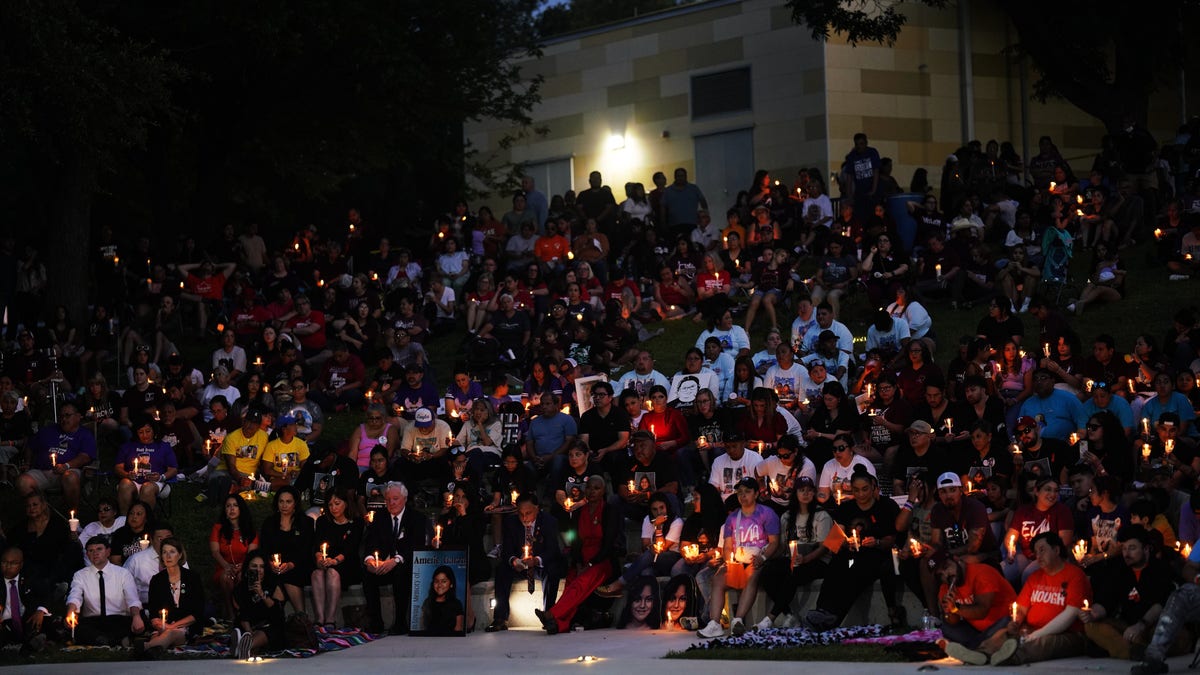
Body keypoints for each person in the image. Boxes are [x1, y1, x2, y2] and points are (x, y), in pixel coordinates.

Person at [802, 470, 900, 631]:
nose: (861, 494)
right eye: (856, 490)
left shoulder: (885, 506)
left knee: (855, 571)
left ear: (873, 487)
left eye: (865, 489)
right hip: (851, 554)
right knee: (837, 565)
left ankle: (834, 616)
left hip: (875, 555)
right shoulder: (847, 508)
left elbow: (891, 540)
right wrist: (845, 543)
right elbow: (834, 540)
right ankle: (821, 609)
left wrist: (876, 542)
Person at [975, 532, 1090, 666]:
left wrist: (1037, 634)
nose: (1038, 556)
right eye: (1036, 552)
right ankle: (980, 654)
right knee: (1002, 633)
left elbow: (1070, 614)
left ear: (1056, 550)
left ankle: (1009, 657)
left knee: (1043, 643)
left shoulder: (1075, 575)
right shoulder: (1035, 577)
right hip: (1031, 631)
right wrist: (1016, 621)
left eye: (1042, 550)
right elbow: (1021, 608)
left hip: (1067, 633)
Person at [534, 476, 623, 634]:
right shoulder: (578, 512)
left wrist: (589, 565)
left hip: (602, 561)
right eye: (589, 487)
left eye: (596, 488)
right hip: (582, 559)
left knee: (582, 581)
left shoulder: (610, 511)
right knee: (571, 580)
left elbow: (609, 544)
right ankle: (559, 625)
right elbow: (575, 542)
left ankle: (551, 613)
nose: (592, 491)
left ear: (603, 491)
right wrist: (580, 563)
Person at [697, 476, 781, 637]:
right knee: (718, 579)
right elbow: (728, 545)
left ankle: (738, 620)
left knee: (751, 575)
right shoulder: (732, 518)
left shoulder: (766, 514)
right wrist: (729, 561)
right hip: (738, 560)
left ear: (756, 494)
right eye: (740, 492)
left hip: (757, 559)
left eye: (747, 492)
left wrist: (762, 558)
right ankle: (714, 622)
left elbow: (774, 542)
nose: (743, 496)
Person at [1081, 526, 1176, 660]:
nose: (1126, 554)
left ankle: (1134, 648)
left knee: (1173, 635)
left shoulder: (1160, 569)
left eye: (1132, 548)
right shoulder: (1119, 569)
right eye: (1124, 549)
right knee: (1091, 626)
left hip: (1153, 624)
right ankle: (1133, 652)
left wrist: (1141, 625)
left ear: (1146, 549)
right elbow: (1107, 599)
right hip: (1128, 626)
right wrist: (1094, 613)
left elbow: (1161, 603)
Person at [759, 476, 832, 628]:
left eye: (810, 490)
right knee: (767, 573)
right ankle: (789, 614)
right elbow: (782, 547)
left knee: (794, 573)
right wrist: (765, 557)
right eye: (801, 490)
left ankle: (770, 617)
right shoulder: (786, 516)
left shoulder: (821, 515)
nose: (806, 494)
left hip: (817, 560)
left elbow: (824, 547)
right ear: (795, 493)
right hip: (793, 558)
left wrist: (805, 559)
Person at [486, 491, 564, 632]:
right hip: (520, 565)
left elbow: (553, 550)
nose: (524, 517)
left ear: (537, 509)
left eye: (528, 513)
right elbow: (507, 550)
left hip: (539, 565)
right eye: (521, 514)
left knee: (553, 569)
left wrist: (536, 560)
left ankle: (549, 615)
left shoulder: (549, 521)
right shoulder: (511, 522)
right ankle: (500, 618)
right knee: (502, 570)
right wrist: (514, 560)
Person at [362, 481, 427, 635]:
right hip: (384, 563)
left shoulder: (416, 518)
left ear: (404, 499)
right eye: (388, 499)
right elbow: (371, 541)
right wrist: (370, 560)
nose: (391, 502)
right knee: (367, 574)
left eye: (395, 498)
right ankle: (376, 622)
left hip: (405, 564)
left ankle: (400, 622)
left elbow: (416, 545)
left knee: (401, 573)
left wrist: (396, 560)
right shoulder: (380, 517)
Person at [935, 551, 1018, 663]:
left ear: (956, 559)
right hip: (978, 631)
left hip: (999, 624)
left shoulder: (982, 573)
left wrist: (956, 608)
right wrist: (949, 611)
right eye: (941, 575)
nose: (946, 575)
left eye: (946, 567)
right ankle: (980, 649)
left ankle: (975, 650)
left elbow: (982, 611)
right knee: (946, 627)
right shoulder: (945, 589)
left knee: (1007, 622)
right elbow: (953, 622)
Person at [597, 492, 684, 598]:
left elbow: (662, 548)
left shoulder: (677, 522)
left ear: (667, 507)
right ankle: (649, 604)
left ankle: (619, 583)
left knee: (649, 554)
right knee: (646, 572)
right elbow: (645, 545)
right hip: (652, 560)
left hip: (671, 558)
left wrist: (659, 527)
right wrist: (650, 548)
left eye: (662, 508)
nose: (659, 512)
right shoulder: (648, 519)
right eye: (654, 509)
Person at [17, 402, 96, 512]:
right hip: (42, 472)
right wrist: (27, 463)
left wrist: (66, 466)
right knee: (23, 482)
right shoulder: (48, 430)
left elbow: (85, 456)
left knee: (70, 477)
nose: (64, 419)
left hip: (68, 472)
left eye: (68, 415)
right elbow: (30, 446)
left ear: (78, 417)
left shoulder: (84, 434)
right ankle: (41, 514)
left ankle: (73, 518)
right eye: (61, 416)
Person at [66, 536, 144, 646]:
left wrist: (136, 616)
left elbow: (132, 599)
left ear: (108, 552)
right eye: (91, 550)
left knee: (132, 623)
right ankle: (114, 641)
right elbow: (75, 595)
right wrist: (71, 611)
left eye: (99, 549)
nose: (95, 553)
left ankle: (104, 640)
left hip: (117, 618)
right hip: (93, 620)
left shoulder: (122, 574)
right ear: (87, 554)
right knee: (79, 628)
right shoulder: (80, 575)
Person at [142, 537, 206, 658]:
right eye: (164, 552)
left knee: (169, 634)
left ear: (180, 554)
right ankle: (151, 651)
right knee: (160, 635)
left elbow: (197, 612)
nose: (168, 556)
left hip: (186, 626)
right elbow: (153, 611)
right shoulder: (157, 580)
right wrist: (158, 624)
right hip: (163, 626)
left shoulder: (192, 578)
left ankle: (144, 648)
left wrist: (171, 627)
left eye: (172, 552)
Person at [311, 486, 363, 630]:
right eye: (330, 504)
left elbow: (350, 548)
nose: (334, 508)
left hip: (347, 563)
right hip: (326, 561)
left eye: (337, 503)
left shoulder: (356, 522)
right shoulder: (323, 521)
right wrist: (319, 558)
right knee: (317, 573)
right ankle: (320, 618)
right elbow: (317, 544)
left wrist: (335, 561)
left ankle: (330, 619)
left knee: (333, 573)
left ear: (346, 503)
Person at [257, 486, 314, 615]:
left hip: (298, 566)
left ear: (295, 503)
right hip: (274, 568)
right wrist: (270, 563)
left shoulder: (305, 522)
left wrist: (291, 564)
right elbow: (264, 548)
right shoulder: (270, 522)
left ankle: (301, 616)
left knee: (289, 577)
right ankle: (277, 619)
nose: (284, 505)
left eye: (288, 502)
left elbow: (306, 549)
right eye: (281, 501)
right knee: (275, 580)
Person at [115, 417, 178, 514]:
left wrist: (161, 477)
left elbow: (173, 469)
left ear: (154, 430)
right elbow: (118, 467)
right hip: (132, 481)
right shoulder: (128, 446)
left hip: (156, 482)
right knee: (124, 484)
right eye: (141, 432)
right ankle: (124, 520)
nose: (145, 435)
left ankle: (145, 521)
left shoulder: (163, 447)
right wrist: (127, 475)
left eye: (148, 431)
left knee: (147, 488)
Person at [209, 494, 258, 620]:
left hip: (245, 567)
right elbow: (215, 552)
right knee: (226, 576)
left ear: (241, 509)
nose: (231, 509)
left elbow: (251, 555)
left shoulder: (251, 531)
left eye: (235, 506)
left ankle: (245, 613)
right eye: (228, 506)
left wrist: (242, 567)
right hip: (224, 567)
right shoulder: (218, 529)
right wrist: (227, 566)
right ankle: (231, 613)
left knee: (243, 577)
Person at [230, 552, 285, 660]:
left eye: (262, 567)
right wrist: (249, 631)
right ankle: (245, 645)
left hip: (269, 624)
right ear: (247, 568)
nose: (258, 570)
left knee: (269, 631)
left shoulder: (273, 584)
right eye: (254, 566)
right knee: (240, 631)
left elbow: (278, 613)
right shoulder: (241, 588)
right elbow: (242, 613)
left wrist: (261, 593)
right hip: (249, 626)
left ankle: (245, 646)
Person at [0, 547, 51, 654]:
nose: (8, 566)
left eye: (13, 563)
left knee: (42, 620)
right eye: (4, 562)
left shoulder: (30, 576)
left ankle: (25, 645)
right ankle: (23, 647)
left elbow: (45, 593)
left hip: (24, 618)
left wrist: (40, 610)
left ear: (21, 565)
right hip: (4, 622)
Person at [419, 565, 465, 635]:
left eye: (444, 581)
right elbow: (422, 627)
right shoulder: (427, 602)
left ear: (451, 584)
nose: (439, 585)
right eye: (436, 581)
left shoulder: (456, 604)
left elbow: (458, 629)